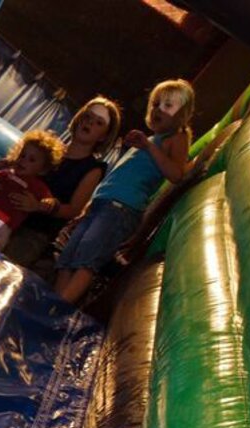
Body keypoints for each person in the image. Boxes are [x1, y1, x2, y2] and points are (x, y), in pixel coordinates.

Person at [54, 79, 194, 304]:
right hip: (103, 203)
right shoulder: (150, 139)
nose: (159, 109)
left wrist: (148, 147)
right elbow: (117, 176)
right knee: (68, 256)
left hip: (120, 208)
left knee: (87, 259)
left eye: (168, 106)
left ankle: (59, 308)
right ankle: (52, 303)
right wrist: (90, 205)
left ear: (182, 113)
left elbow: (176, 174)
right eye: (156, 104)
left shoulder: (176, 138)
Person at [4, 97, 122, 274]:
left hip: (35, 231)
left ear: (103, 135)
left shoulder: (93, 168)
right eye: (88, 117)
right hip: (10, 212)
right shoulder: (51, 151)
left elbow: (74, 209)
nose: (89, 123)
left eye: (98, 123)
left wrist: (39, 206)